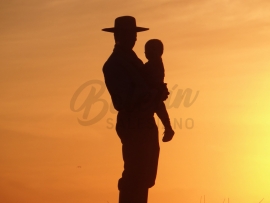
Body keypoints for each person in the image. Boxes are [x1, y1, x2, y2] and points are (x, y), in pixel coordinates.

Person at [102, 16, 169, 203]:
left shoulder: (133, 60)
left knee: (146, 174)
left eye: (134, 35)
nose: (134, 38)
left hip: (145, 121)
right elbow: (122, 100)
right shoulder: (114, 64)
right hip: (133, 123)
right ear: (118, 36)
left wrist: (156, 91)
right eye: (130, 34)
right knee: (135, 173)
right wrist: (152, 92)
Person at [143, 39, 175, 142]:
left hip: (154, 90)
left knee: (159, 106)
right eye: (146, 51)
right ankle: (168, 127)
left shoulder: (154, 64)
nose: (147, 53)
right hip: (154, 90)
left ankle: (168, 128)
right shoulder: (154, 63)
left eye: (150, 51)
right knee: (159, 107)